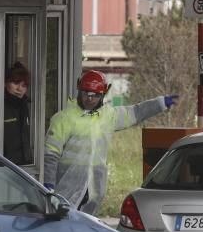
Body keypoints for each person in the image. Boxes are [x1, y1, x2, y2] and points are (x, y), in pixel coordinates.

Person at [44, 69, 178, 215]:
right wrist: (48, 184)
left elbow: (136, 112)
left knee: (88, 226)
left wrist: (161, 103)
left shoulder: (109, 116)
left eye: (94, 95)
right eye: (85, 94)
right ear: (79, 90)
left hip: (94, 188)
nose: (89, 99)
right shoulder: (63, 119)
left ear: (103, 94)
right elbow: (50, 154)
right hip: (67, 185)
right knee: (64, 223)